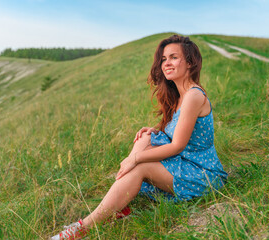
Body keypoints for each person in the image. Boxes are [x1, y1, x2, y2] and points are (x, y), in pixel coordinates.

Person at [50, 35, 228, 240]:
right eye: (163, 59)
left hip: (202, 173)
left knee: (141, 164)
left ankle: (82, 228)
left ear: (190, 62)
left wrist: (135, 158)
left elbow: (178, 145)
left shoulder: (193, 96)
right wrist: (153, 130)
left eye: (173, 57)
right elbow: (177, 130)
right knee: (145, 137)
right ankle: (118, 202)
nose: (166, 63)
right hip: (184, 163)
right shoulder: (180, 96)